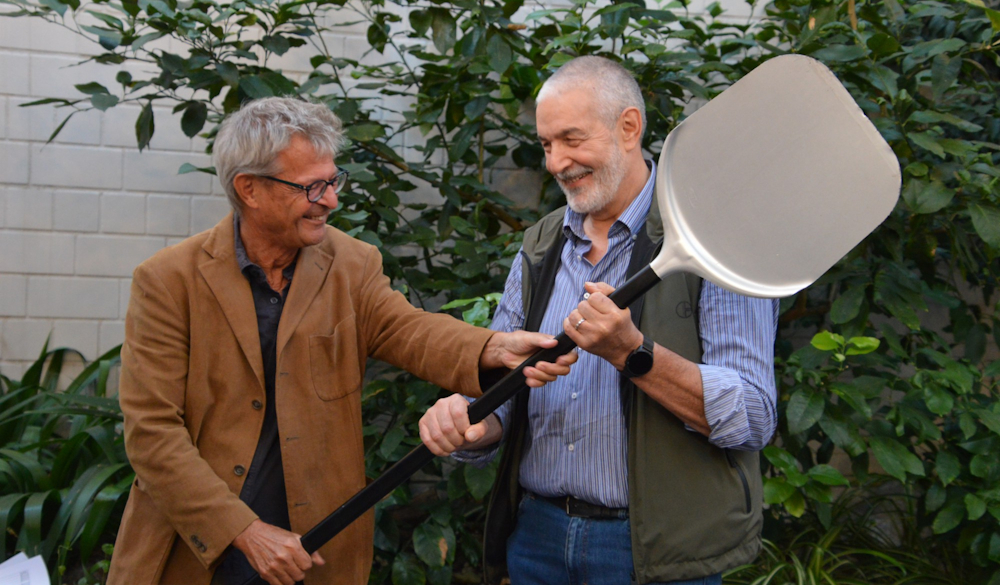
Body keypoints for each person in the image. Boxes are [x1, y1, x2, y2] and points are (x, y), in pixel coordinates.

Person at [107, 97, 575, 585]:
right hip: (199, 553)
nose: (330, 200)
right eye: (311, 186)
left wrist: (492, 348)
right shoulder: (168, 281)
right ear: (249, 189)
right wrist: (243, 531)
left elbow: (406, 328)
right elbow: (153, 434)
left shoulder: (351, 264)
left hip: (318, 552)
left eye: (333, 181)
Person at [419, 56, 779, 585]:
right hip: (537, 537)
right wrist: (472, 425)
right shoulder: (540, 246)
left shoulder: (712, 243)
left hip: (654, 552)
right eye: (546, 144)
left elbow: (751, 415)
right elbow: (507, 393)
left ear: (628, 127)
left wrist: (633, 354)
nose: (557, 162)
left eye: (572, 139)